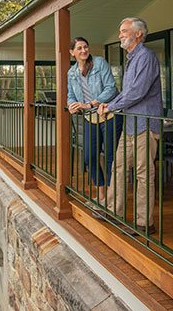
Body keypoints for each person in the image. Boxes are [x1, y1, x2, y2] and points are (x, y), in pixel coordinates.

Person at [97, 17, 162, 235]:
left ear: (138, 34)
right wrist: (110, 104)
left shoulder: (146, 57)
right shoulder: (131, 59)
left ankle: (144, 224)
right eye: (120, 31)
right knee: (118, 167)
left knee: (144, 174)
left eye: (124, 31)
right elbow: (127, 92)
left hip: (145, 124)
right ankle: (112, 210)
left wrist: (110, 108)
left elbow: (137, 92)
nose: (120, 35)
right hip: (131, 124)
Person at [67, 37, 122, 203]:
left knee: (111, 157)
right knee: (90, 157)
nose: (84, 50)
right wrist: (71, 105)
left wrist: (89, 104)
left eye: (85, 47)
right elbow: (70, 94)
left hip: (109, 114)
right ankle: (101, 194)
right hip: (90, 117)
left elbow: (111, 89)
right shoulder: (72, 72)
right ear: (72, 52)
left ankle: (111, 198)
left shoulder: (99, 63)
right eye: (79, 48)